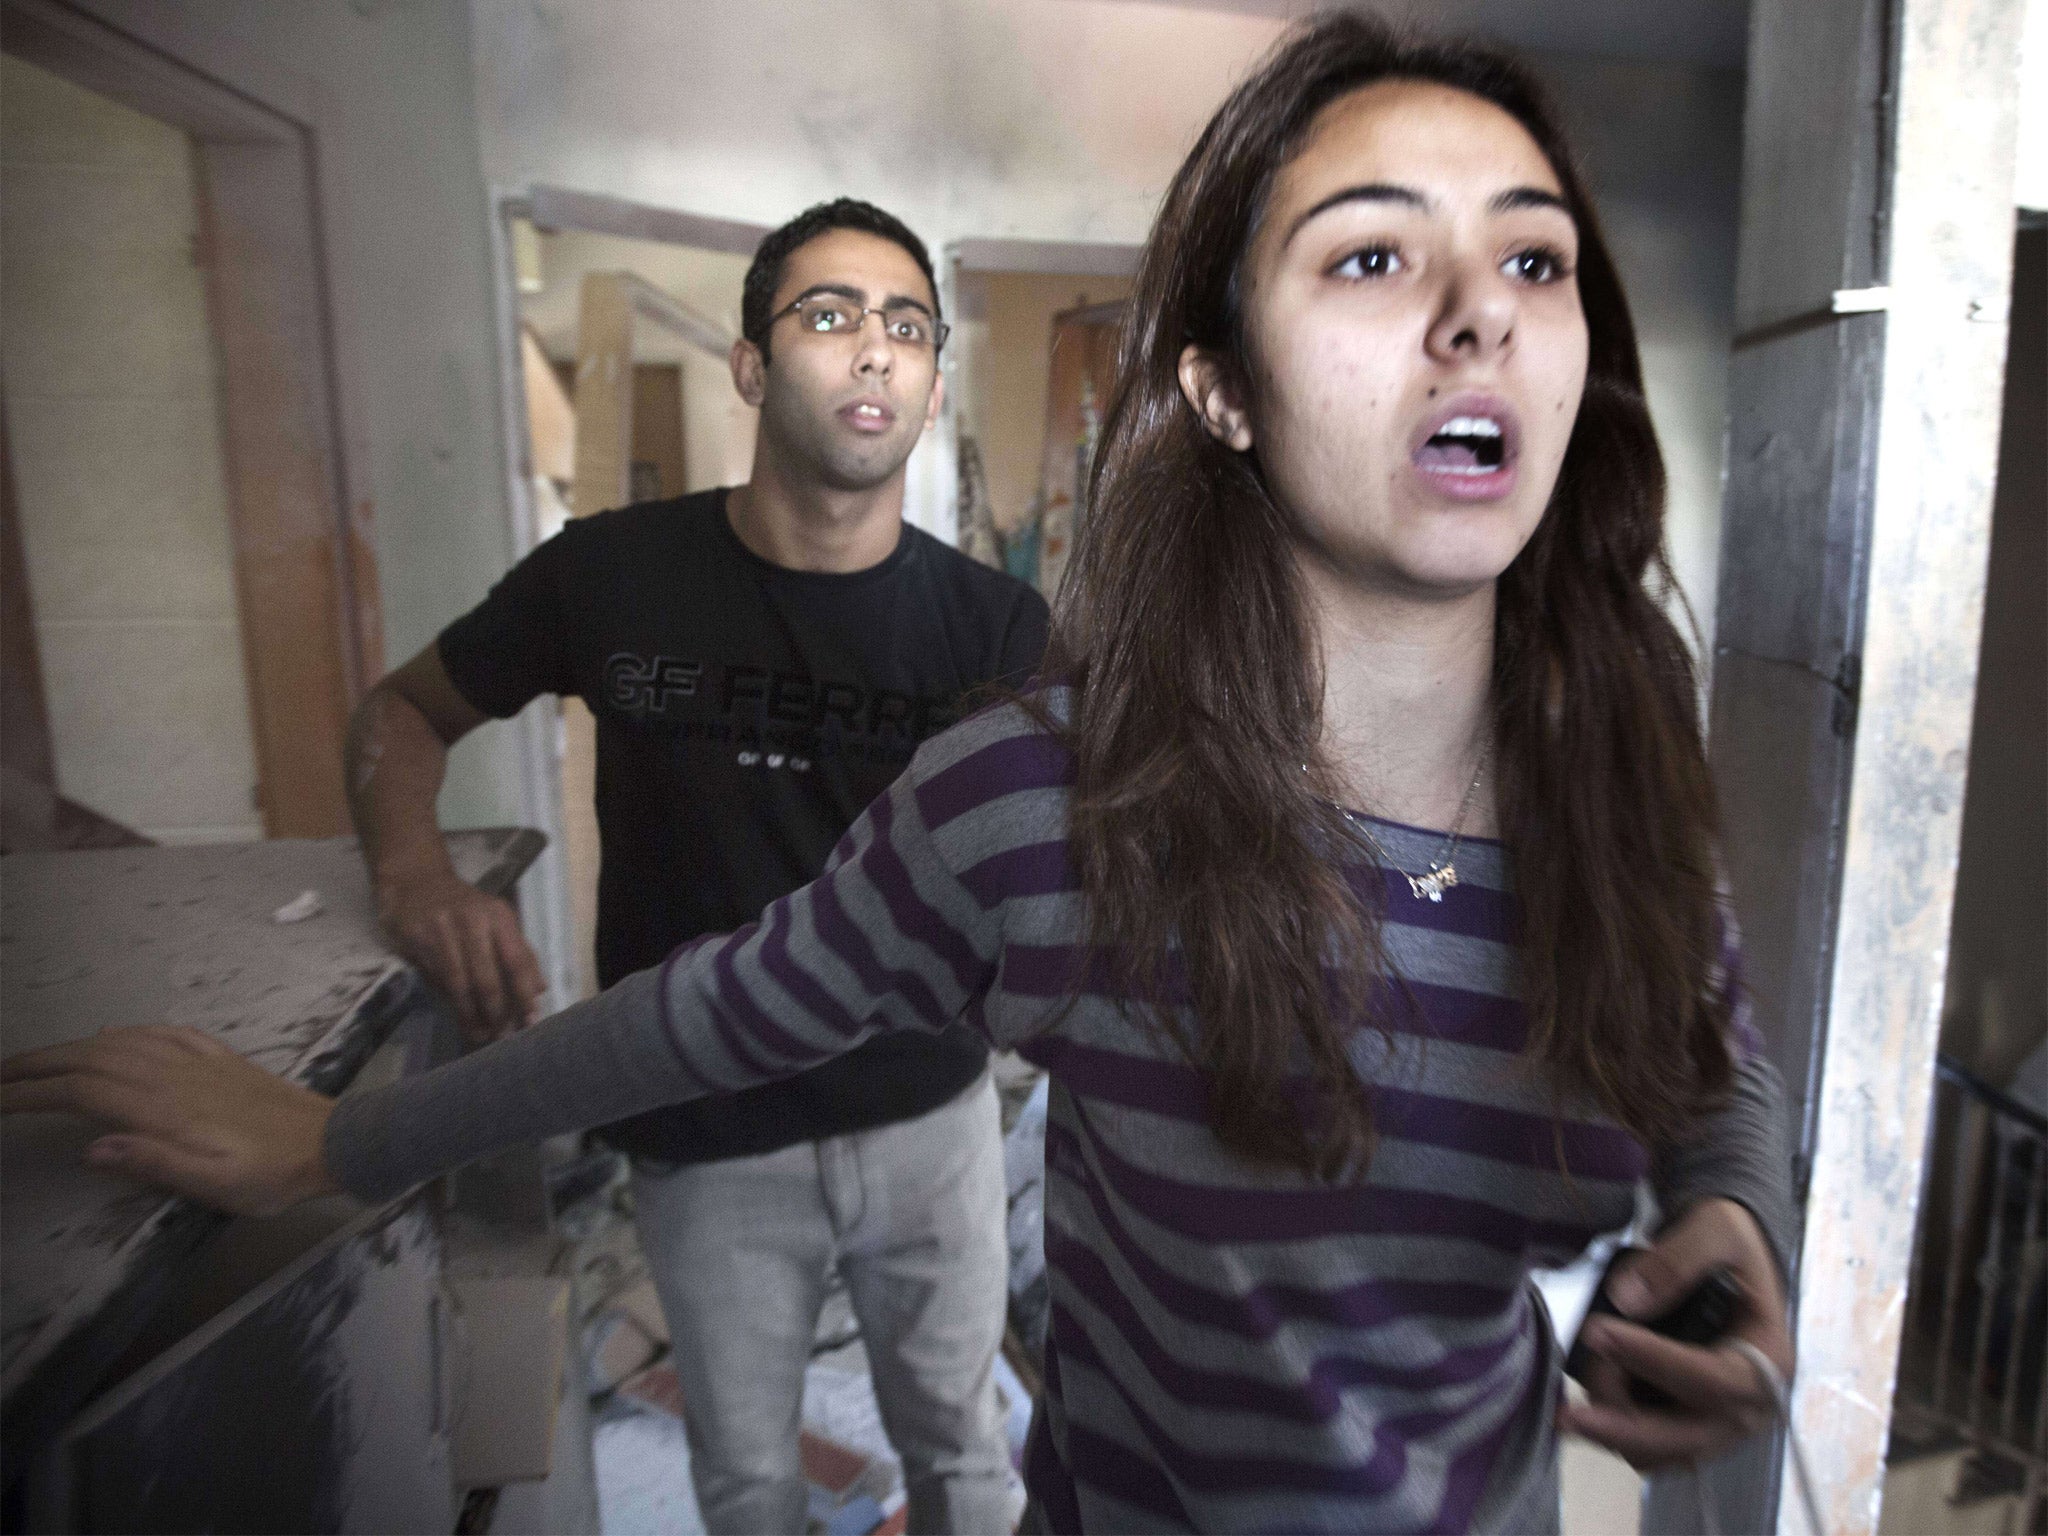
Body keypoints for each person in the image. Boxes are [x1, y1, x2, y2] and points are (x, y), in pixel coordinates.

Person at [5, 19, 1798, 1534]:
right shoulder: (1051, 808)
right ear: (1223, 390)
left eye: (1536, 258)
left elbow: (1711, 1061)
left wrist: (1731, 1215)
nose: (1480, 312)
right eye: (1375, 255)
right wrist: (336, 1137)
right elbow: (694, 1014)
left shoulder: (1615, 779)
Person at [340, 198, 1043, 1535]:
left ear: (936, 378)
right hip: (700, 1126)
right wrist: (420, 879)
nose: (875, 351)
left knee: (965, 1459)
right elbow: (399, 715)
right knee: (747, 1481)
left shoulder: (996, 625)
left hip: (929, 1117)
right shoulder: (609, 578)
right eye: (829, 316)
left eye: (907, 325)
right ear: (750, 364)